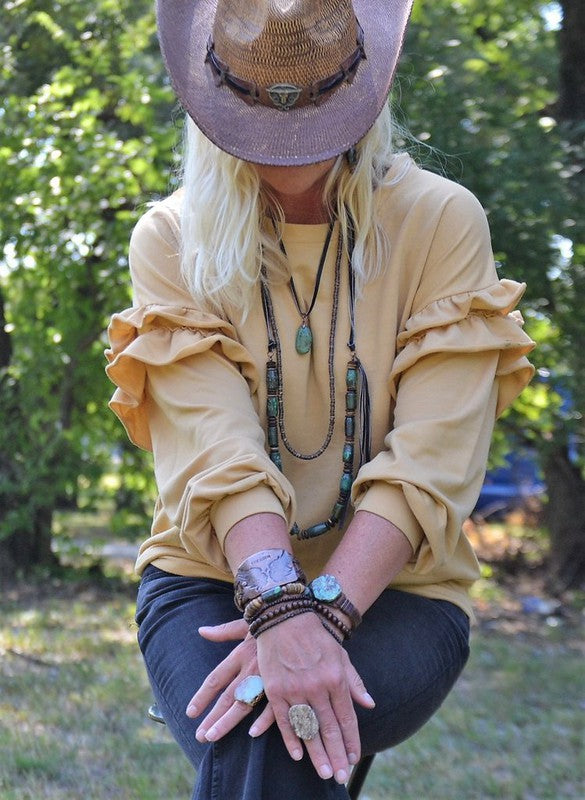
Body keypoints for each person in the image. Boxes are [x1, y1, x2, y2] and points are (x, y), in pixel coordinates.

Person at [105, 1, 535, 798]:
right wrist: (277, 611)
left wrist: (319, 619)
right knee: (282, 730)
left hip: (399, 591)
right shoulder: (170, 238)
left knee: (276, 725)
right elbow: (214, 446)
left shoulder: (439, 222)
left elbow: (431, 459)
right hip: (208, 577)